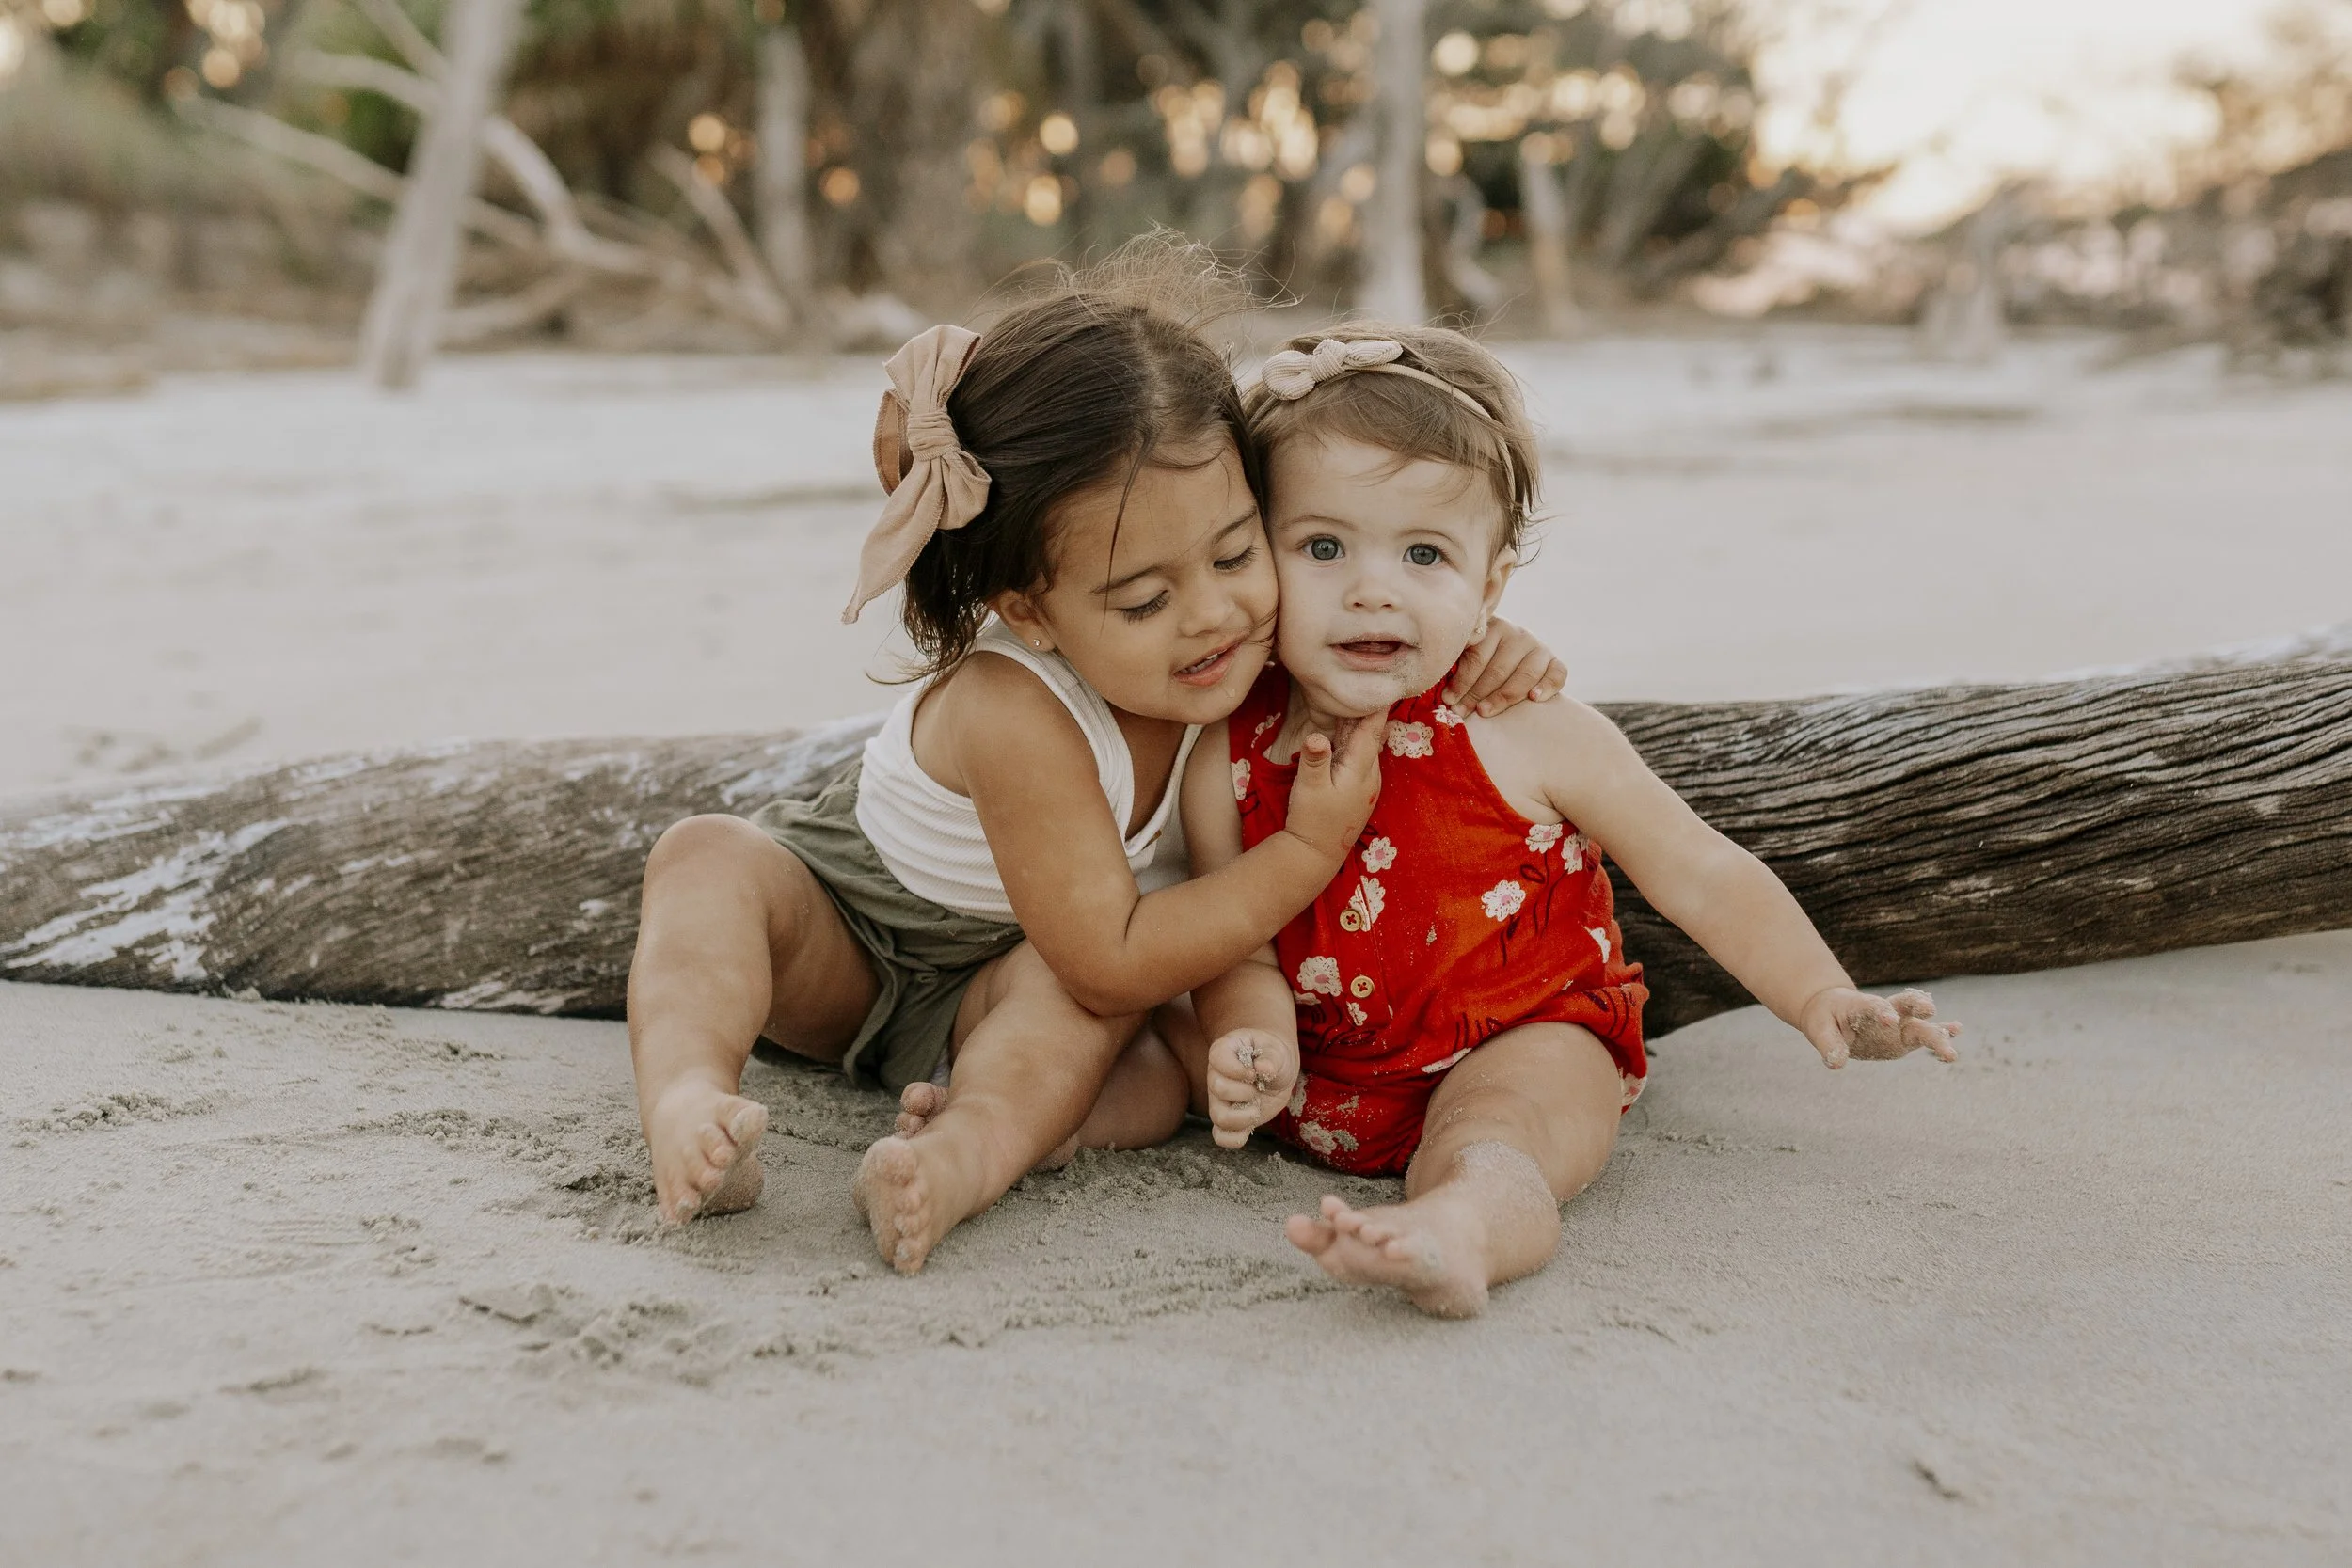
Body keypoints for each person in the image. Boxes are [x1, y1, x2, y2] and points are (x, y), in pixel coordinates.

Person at [623, 242, 1567, 1273]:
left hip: (1023, 977)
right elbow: (1112, 949)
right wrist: (1304, 852)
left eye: (1236, 553)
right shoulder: (1010, 704)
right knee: (707, 856)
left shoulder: (1244, 644)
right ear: (1028, 610)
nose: (1211, 615)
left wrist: (1483, 639)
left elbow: (1377, 613)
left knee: (1098, 1019)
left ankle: (959, 1154)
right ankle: (688, 1095)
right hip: (843, 938)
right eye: (1143, 600)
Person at [1162, 325, 1963, 1317]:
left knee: (1498, 1132)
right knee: (1145, 1045)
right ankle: (1012, 1116)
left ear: (1489, 585)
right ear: (1254, 555)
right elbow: (1231, 940)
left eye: (1425, 553)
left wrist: (1818, 993)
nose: (1373, 586)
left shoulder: (1525, 723)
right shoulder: (1225, 751)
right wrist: (1253, 1040)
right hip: (1318, 1073)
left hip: (1523, 1040)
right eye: (1322, 545)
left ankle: (1460, 1227)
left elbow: (1696, 869)